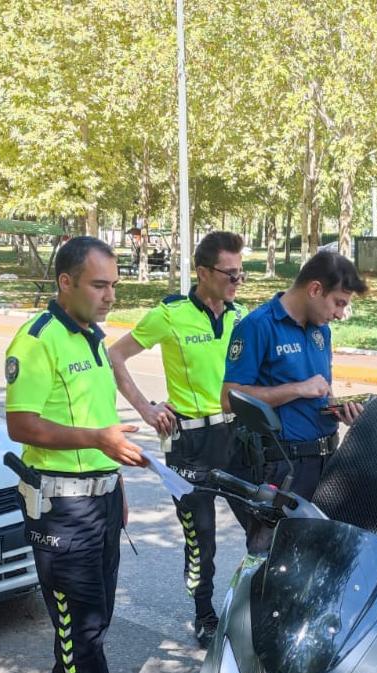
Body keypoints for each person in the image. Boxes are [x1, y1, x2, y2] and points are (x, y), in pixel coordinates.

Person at [3, 236, 155, 673]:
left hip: (100, 496)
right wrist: (98, 442)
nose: (110, 295)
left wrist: (115, 484)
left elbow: (100, 426)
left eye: (114, 284)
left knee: (93, 616)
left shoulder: (91, 336)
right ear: (66, 283)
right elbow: (22, 425)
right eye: (99, 284)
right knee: (82, 621)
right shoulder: (37, 340)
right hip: (60, 509)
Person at [108, 230, 248, 647]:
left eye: (241, 275)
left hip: (237, 438)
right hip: (190, 445)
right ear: (203, 272)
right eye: (230, 274)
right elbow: (115, 355)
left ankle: (258, 606)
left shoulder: (241, 316)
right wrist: (147, 410)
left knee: (263, 530)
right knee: (200, 537)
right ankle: (204, 614)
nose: (236, 282)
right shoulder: (169, 314)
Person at [221, 250, 368, 552]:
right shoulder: (258, 326)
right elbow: (229, 398)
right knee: (274, 562)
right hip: (282, 468)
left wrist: (339, 409)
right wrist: (298, 388)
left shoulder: (321, 331)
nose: (341, 313)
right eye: (339, 302)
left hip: (326, 462)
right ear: (315, 289)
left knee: (320, 561)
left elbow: (319, 392)